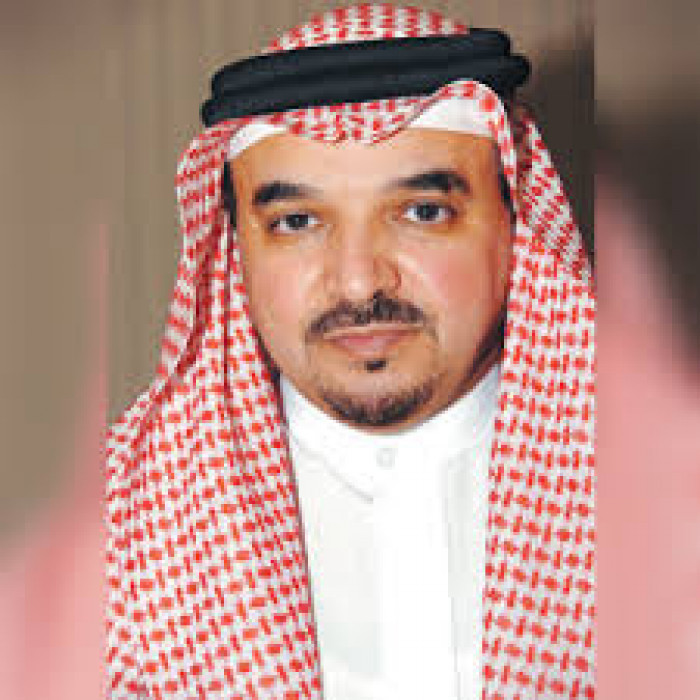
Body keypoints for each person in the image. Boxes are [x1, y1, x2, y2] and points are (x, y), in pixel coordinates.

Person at [106, 5, 594, 699]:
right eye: (297, 222)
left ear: (515, 221)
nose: (360, 281)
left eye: (422, 212)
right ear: (236, 249)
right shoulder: (114, 534)